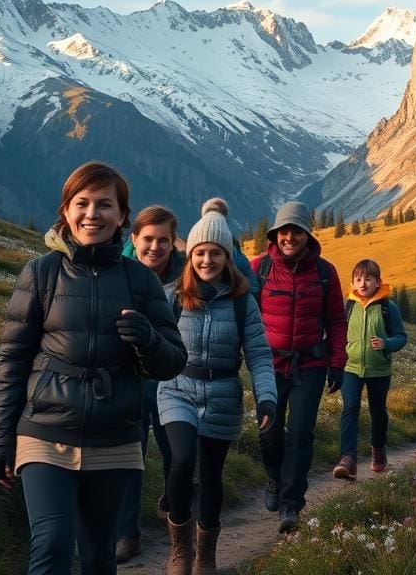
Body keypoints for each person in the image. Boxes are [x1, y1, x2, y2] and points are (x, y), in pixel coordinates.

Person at [0, 162, 187, 575]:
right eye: (82, 203)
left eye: (104, 204)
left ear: (122, 217)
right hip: (44, 430)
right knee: (53, 547)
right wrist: (0, 435)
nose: (91, 214)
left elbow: (173, 362)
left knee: (98, 557)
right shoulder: (41, 273)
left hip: (114, 438)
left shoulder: (141, 281)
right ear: (66, 210)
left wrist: (148, 337)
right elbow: (13, 359)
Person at [157, 208, 277, 574]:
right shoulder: (174, 296)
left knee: (211, 476)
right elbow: (155, 341)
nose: (207, 259)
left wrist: (267, 397)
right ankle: (180, 549)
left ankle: (206, 553)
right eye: (200, 252)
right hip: (177, 389)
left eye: (216, 252)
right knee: (180, 464)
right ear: (190, 256)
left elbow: (258, 354)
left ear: (228, 256)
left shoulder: (243, 303)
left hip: (223, 395)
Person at [252, 201, 347, 533]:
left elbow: (336, 319)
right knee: (269, 431)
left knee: (301, 434)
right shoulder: (258, 268)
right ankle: (274, 479)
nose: (289, 237)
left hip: (311, 363)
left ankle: (291, 504)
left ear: (308, 234)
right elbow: (246, 317)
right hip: (268, 364)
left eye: (297, 231)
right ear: (275, 234)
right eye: (284, 231)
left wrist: (337, 363)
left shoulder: (325, 273)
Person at [116, 205, 187, 562]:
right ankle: (126, 533)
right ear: (134, 239)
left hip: (172, 381)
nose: (155, 247)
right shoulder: (118, 273)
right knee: (131, 454)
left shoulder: (186, 278)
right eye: (148, 239)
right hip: (128, 381)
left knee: (176, 453)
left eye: (164, 240)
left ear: (173, 243)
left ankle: (175, 512)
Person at [333, 259, 407, 480]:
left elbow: (401, 337)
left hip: (379, 369)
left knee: (378, 412)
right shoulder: (348, 306)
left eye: (368, 278)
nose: (362, 283)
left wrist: (387, 344)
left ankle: (378, 450)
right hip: (350, 367)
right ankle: (348, 459)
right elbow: (337, 333)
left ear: (378, 281)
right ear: (353, 283)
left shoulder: (388, 308)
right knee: (350, 409)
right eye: (358, 279)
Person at [198, 197, 259, 298]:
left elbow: (253, 289)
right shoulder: (193, 255)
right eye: (211, 213)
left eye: (221, 214)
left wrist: (235, 299)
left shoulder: (238, 257)